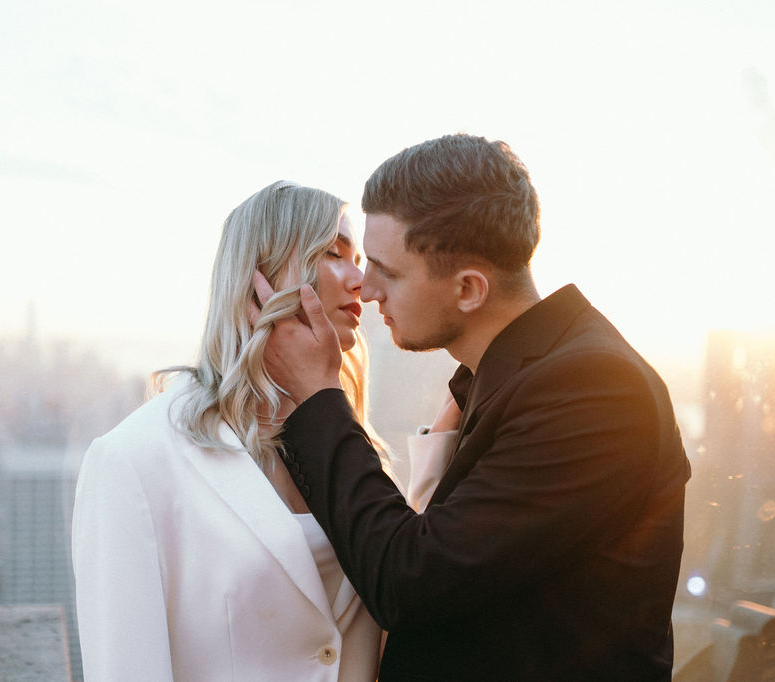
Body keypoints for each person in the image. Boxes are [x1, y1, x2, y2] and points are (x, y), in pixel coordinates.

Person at [255, 134, 692, 681]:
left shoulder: (596, 390)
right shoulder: (507, 380)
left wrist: (318, 398)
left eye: (387, 272)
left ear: (468, 289)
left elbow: (408, 581)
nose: (365, 291)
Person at [73, 180, 398, 681]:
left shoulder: (354, 446)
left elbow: (407, 579)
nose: (361, 280)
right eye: (335, 252)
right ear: (259, 277)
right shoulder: (135, 461)